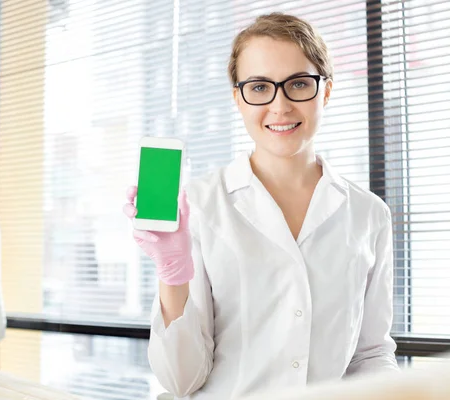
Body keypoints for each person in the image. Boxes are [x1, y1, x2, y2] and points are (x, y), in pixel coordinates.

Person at [123, 12, 399, 400]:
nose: (280, 105)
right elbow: (180, 380)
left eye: (299, 84)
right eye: (259, 87)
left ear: (327, 91)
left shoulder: (369, 214)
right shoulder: (199, 205)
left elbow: (370, 355)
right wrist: (173, 272)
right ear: (238, 97)